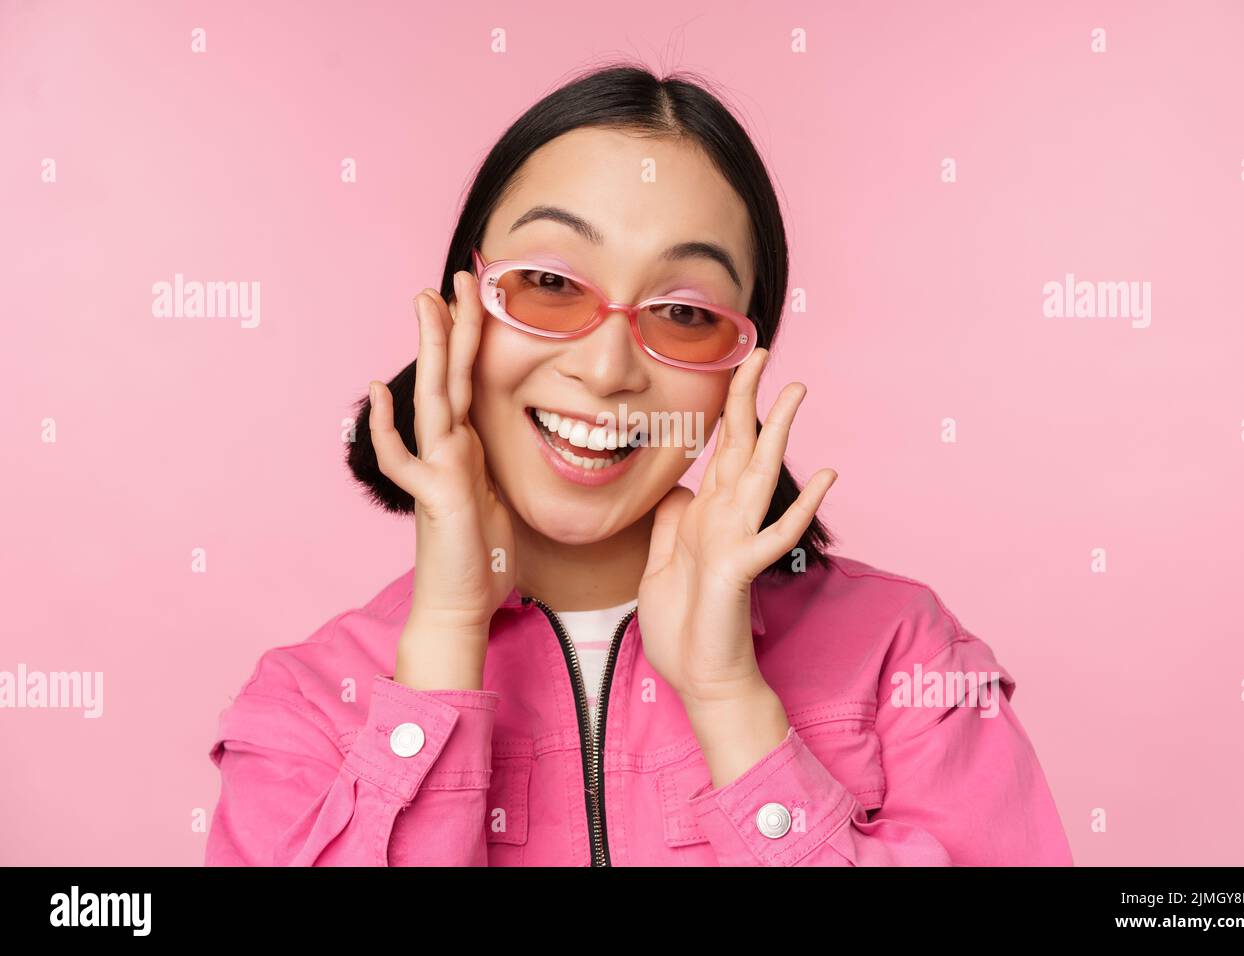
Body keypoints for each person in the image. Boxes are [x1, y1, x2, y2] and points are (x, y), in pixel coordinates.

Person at [204, 63, 1073, 866]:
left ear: (742, 366)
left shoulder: (905, 658)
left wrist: (732, 703)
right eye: (549, 285)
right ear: (462, 308)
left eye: (682, 313)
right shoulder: (305, 707)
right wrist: (444, 637)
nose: (610, 368)